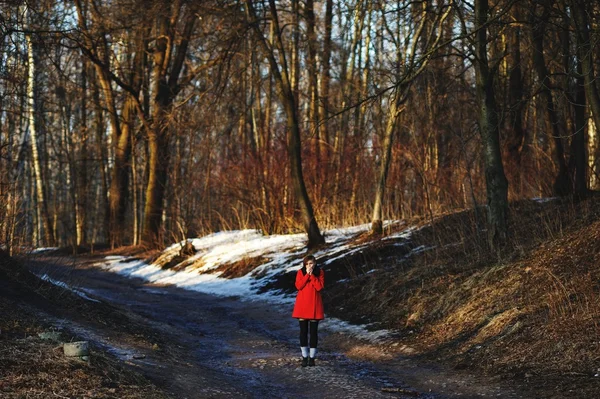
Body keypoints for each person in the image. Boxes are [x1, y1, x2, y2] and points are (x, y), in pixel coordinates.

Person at [292, 254, 325, 367]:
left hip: (315, 305)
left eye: (311, 263)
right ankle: (304, 356)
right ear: (304, 264)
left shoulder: (319, 272)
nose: (309, 266)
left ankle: (312, 357)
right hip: (302, 305)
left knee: (313, 332)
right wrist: (307, 275)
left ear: (315, 263)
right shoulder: (300, 272)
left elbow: (319, 287)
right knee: (303, 332)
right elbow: (298, 286)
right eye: (307, 264)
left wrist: (312, 276)